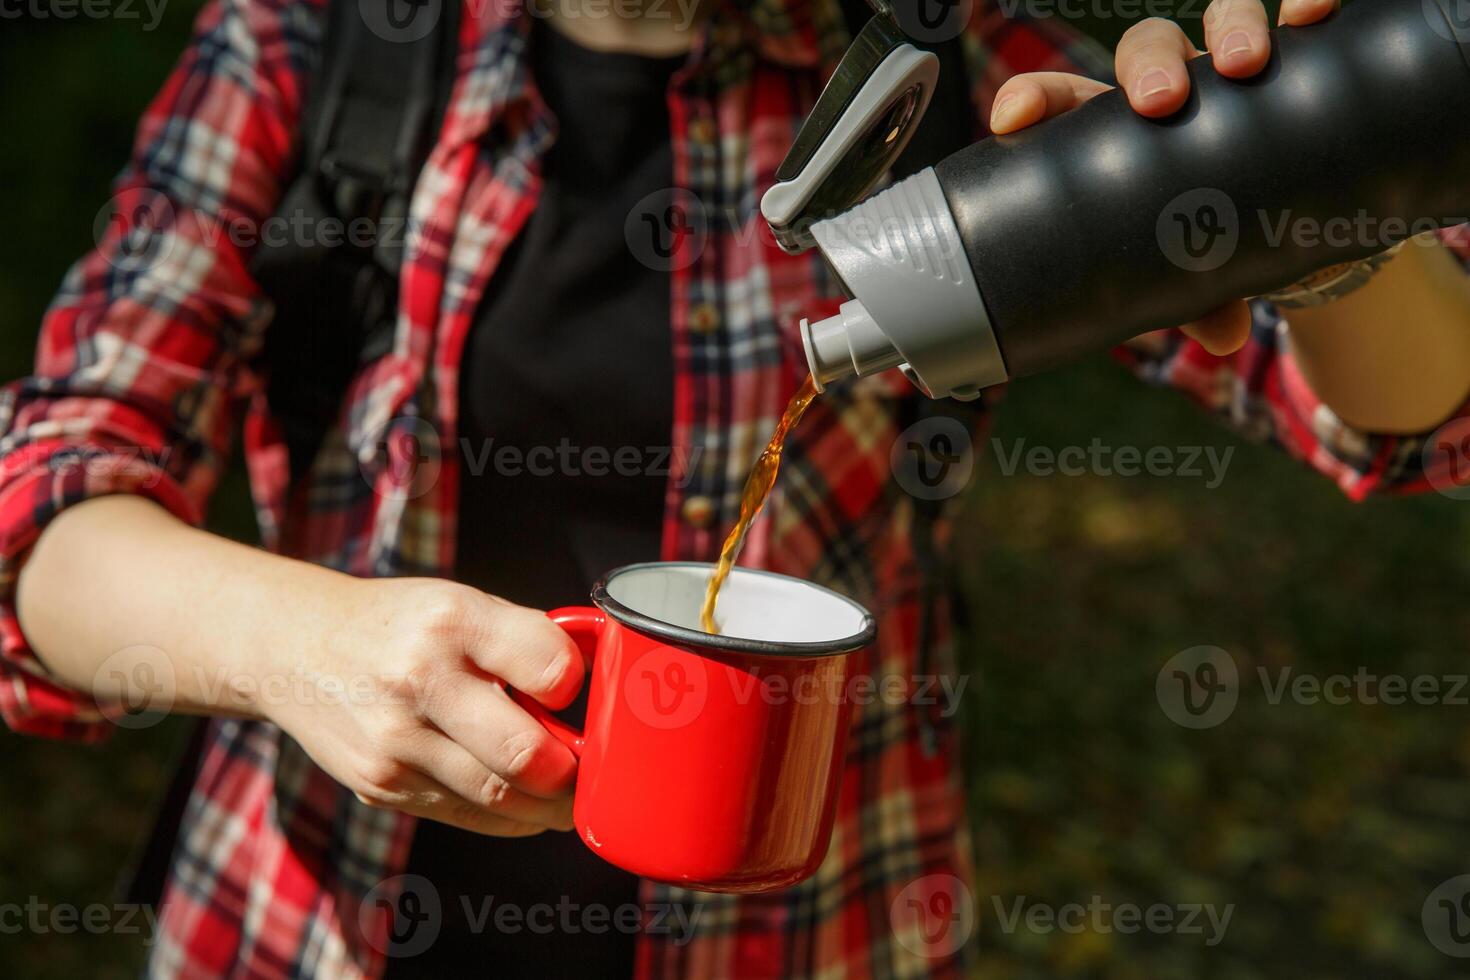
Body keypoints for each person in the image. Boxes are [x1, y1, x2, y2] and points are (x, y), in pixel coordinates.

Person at [3, 0, 1468, 975]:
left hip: (814, 935)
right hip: (308, 930)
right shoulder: (315, 46)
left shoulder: (952, 61)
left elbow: (1410, 427)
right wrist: (298, 645)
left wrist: (1306, 204)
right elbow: (41, 504)